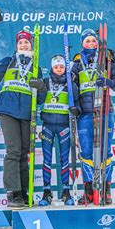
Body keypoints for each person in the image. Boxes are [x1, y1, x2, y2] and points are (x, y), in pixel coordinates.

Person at [0, 30, 47, 208]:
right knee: (14, 150)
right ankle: (13, 192)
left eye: (27, 42)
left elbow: (40, 100)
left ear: (32, 45)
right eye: (21, 43)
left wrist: (41, 87)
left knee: (24, 153)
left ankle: (24, 191)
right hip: (8, 110)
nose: (24, 45)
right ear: (16, 46)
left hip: (26, 113)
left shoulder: (36, 66)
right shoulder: (8, 61)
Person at [71, 28, 115, 205]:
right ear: (82, 43)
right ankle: (88, 191)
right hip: (86, 113)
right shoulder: (77, 63)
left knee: (106, 152)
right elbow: (73, 90)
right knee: (86, 152)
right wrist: (76, 107)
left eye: (94, 41)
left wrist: (108, 82)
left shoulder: (107, 60)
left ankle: (106, 190)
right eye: (87, 41)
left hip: (106, 111)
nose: (91, 44)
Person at [38, 55, 80, 206]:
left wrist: (77, 110)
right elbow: (38, 100)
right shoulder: (45, 82)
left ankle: (66, 191)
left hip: (64, 126)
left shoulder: (71, 84)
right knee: (47, 160)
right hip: (47, 125)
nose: (59, 69)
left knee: (64, 160)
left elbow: (77, 103)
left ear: (65, 68)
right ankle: (46, 192)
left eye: (61, 67)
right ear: (52, 68)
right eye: (56, 67)